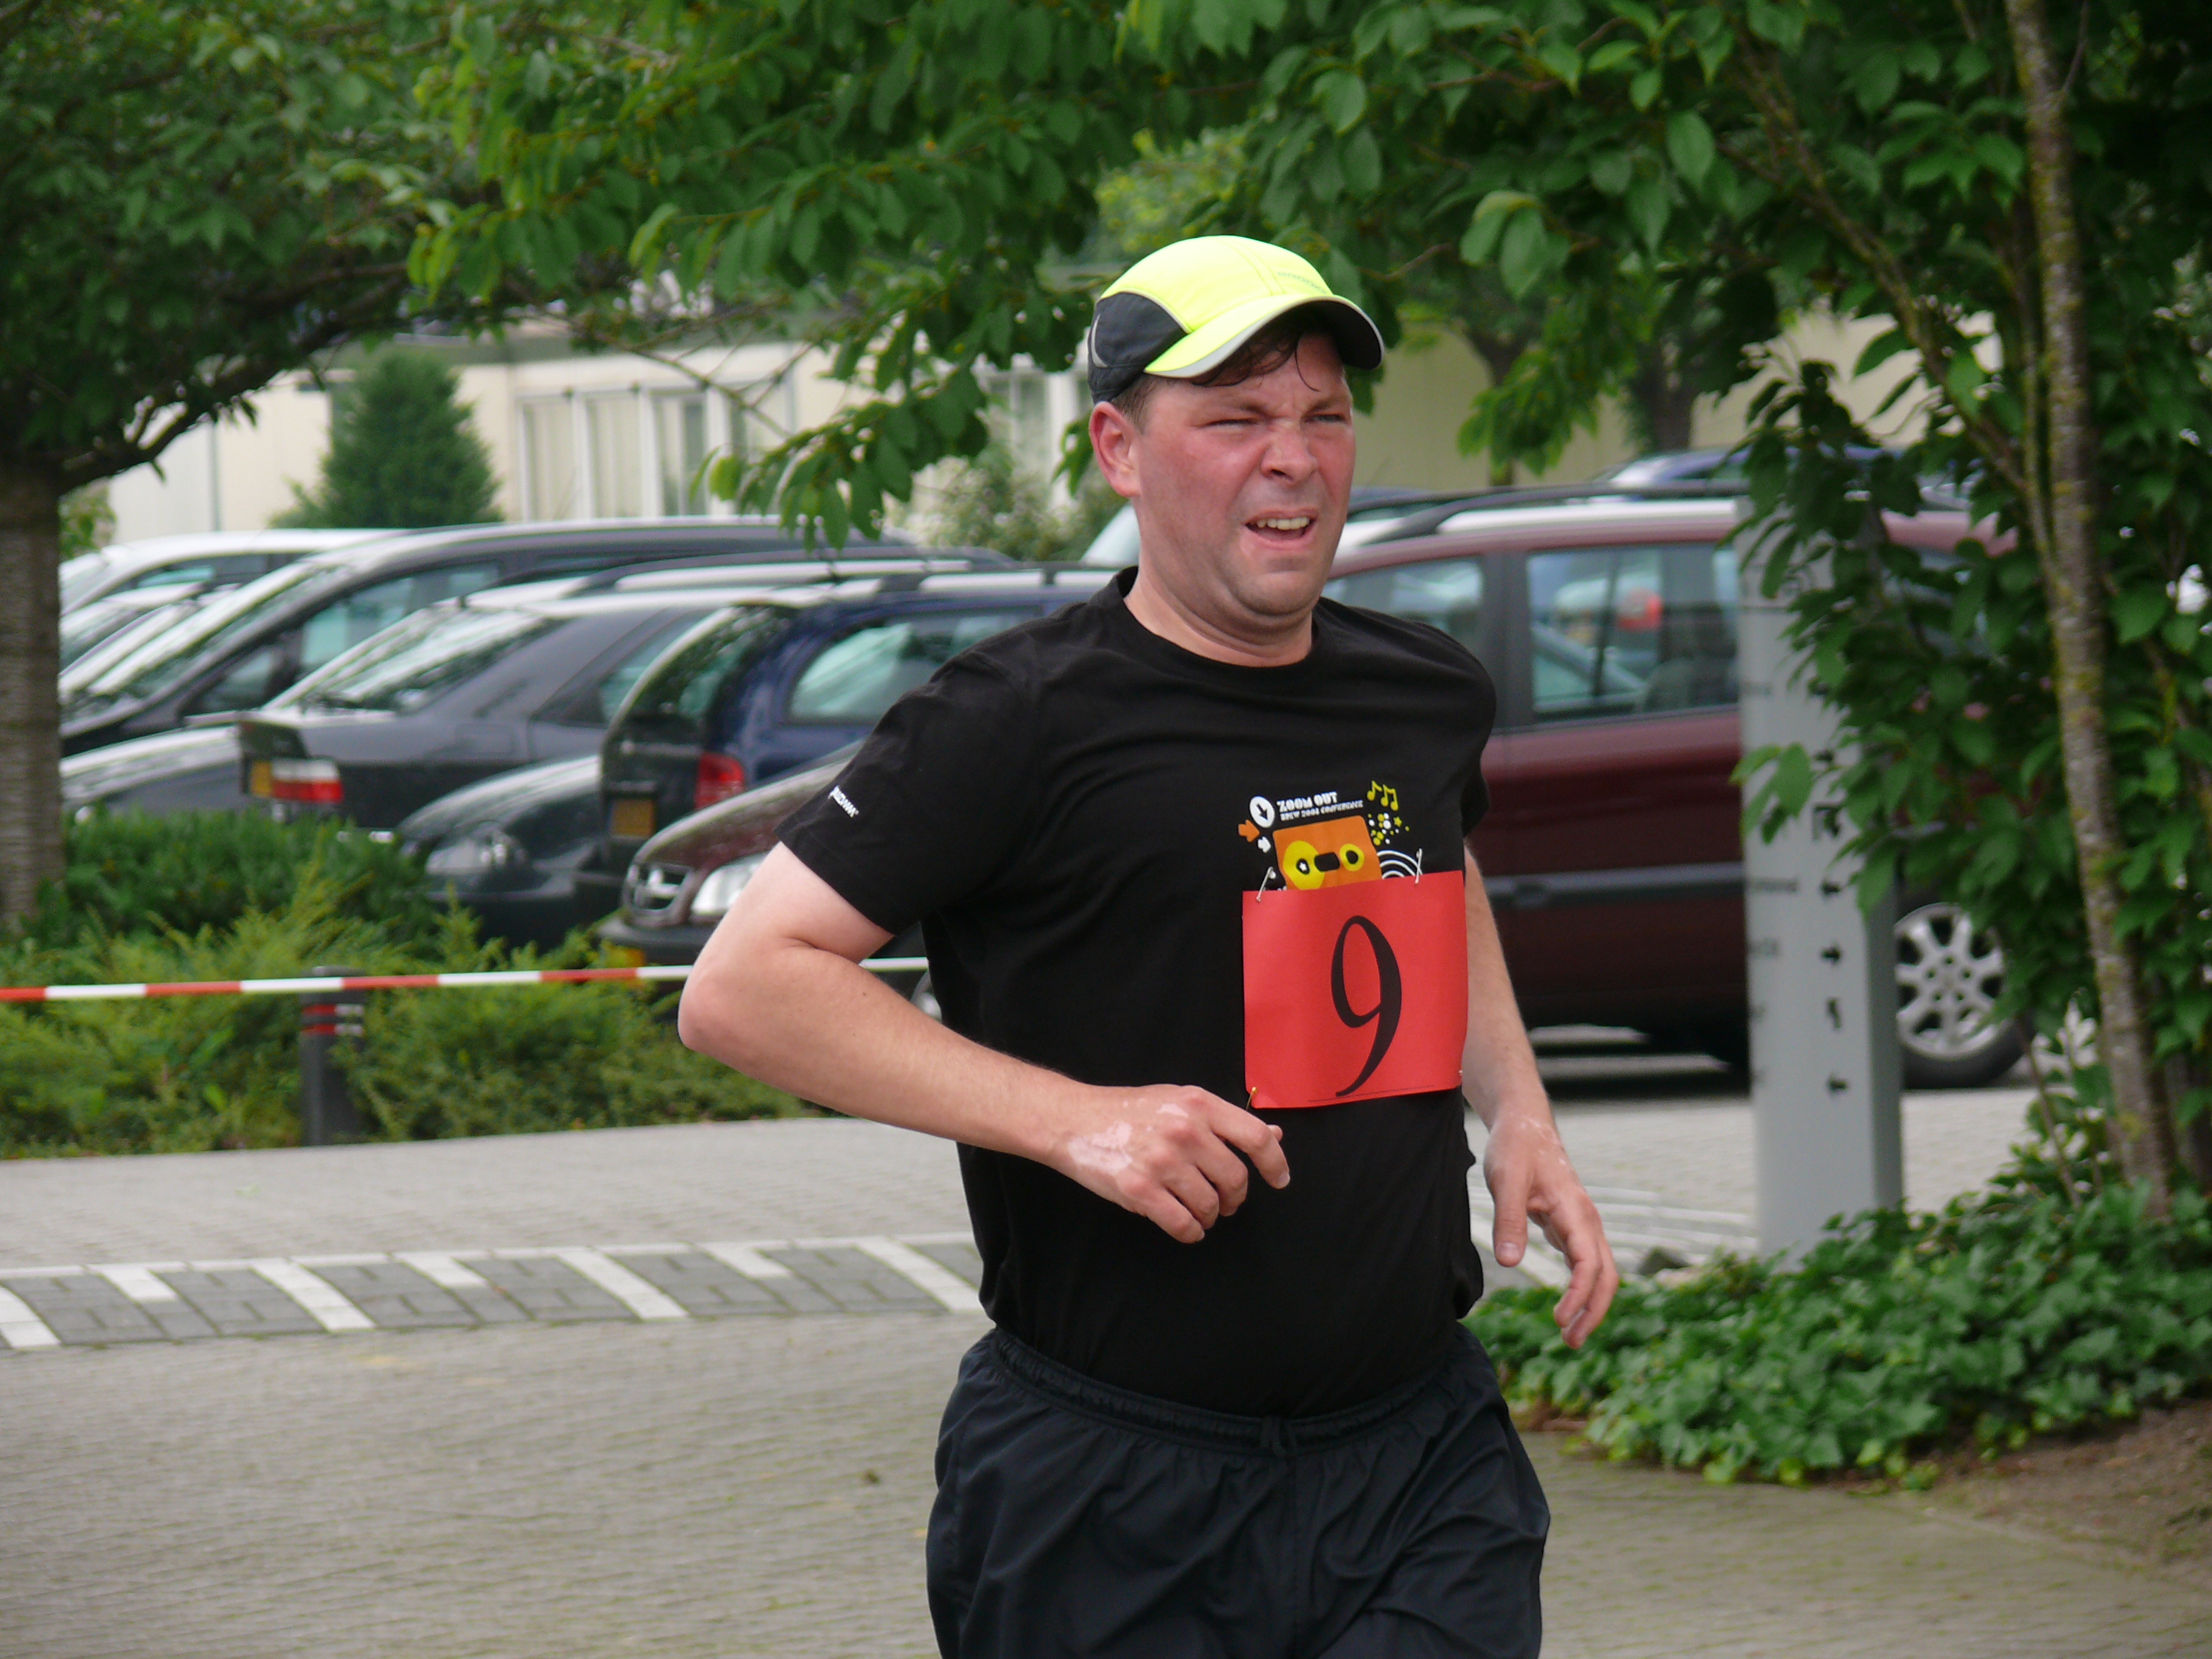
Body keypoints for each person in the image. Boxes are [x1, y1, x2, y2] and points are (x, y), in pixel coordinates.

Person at [679, 235, 1619, 1659]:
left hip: (1420, 1466)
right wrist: (1079, 1123)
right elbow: (745, 988)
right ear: (1119, 449)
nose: (1293, 458)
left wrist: (1522, 1107)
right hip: (1111, 1491)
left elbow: (1439, 863)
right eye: (1235, 419)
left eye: (1323, 415)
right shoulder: (1014, 720)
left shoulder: (1423, 692)